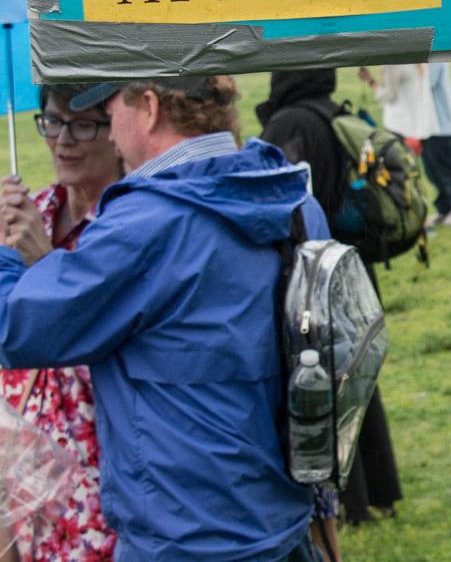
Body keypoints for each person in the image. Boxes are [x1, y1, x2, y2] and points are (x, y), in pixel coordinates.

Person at [0, 74, 329, 562]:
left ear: (149, 107)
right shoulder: (290, 192)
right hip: (281, 519)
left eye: (111, 114)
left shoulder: (147, 222)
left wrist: (6, 252)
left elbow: (17, 326)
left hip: (185, 534)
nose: (110, 134)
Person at [257, 68, 404, 530]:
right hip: (352, 271)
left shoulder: (289, 126)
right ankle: (379, 494)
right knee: (358, 381)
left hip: (312, 278)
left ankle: (348, 506)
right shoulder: (335, 114)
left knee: (322, 385)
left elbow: (282, 204)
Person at [0, 83, 121, 561]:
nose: (64, 139)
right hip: (25, 472)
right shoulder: (29, 215)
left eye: (84, 123)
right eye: (52, 120)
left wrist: (45, 263)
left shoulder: (126, 229)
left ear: (120, 128)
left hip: (101, 478)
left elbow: (111, 348)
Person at [362, 63, 451, 228]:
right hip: (425, 126)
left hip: (440, 125)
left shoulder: (436, 60)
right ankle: (445, 209)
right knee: (432, 171)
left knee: (446, 170)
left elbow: (427, 83)